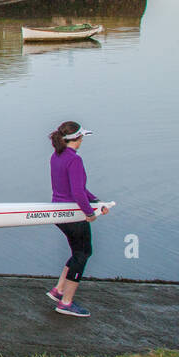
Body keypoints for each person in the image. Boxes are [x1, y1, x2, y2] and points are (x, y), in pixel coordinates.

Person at [46, 121, 108, 317]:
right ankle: (66, 303)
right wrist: (90, 213)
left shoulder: (57, 156)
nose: (83, 141)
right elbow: (78, 192)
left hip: (58, 211)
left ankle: (59, 290)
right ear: (77, 139)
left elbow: (78, 189)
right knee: (83, 253)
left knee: (77, 251)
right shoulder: (75, 160)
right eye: (82, 137)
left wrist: (97, 202)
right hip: (73, 215)